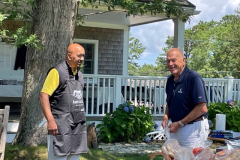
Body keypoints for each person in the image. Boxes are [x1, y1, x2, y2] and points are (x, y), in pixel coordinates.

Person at [39, 43, 89, 160]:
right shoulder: (57, 72)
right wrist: (50, 121)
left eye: (83, 56)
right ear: (69, 56)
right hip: (59, 127)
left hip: (77, 127)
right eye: (79, 56)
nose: (81, 59)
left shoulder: (79, 75)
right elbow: (43, 96)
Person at [161, 48, 209, 147]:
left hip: (193, 129)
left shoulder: (193, 78)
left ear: (183, 60)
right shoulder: (170, 80)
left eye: (173, 60)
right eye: (168, 61)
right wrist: (166, 116)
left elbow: (202, 108)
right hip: (176, 127)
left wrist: (179, 123)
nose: (170, 64)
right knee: (170, 156)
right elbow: (170, 102)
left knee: (190, 157)